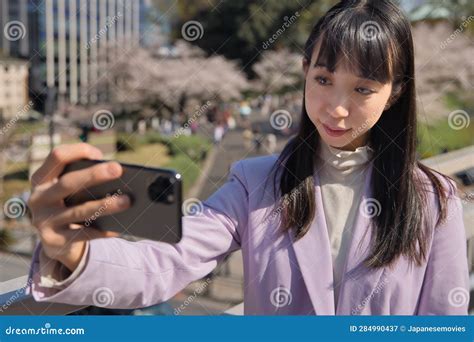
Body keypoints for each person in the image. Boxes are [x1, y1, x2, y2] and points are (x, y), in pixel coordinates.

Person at [27, 0, 468, 315]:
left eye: (363, 89)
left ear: (396, 94)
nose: (336, 107)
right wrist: (73, 253)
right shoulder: (255, 182)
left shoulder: (435, 200)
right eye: (323, 78)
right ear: (304, 74)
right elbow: (166, 263)